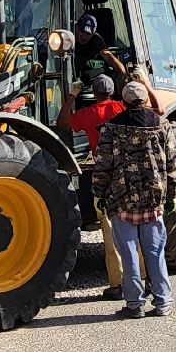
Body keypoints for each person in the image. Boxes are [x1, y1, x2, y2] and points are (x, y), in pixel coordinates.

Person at [91, 80, 176, 319]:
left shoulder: (111, 128)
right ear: (145, 100)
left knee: (128, 254)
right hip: (153, 199)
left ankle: (134, 305)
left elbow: (103, 165)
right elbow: (173, 164)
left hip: (122, 201)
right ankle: (162, 302)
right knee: (155, 252)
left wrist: (99, 193)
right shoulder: (162, 125)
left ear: (124, 101)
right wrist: (171, 196)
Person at [57, 74, 125, 298]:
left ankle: (116, 285)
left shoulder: (88, 114)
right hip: (126, 175)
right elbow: (156, 109)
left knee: (110, 231)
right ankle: (143, 280)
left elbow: (62, 121)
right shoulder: (122, 108)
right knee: (135, 228)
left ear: (94, 94)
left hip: (104, 177)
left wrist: (72, 96)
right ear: (113, 92)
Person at [72, 13, 127, 84]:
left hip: (90, 65)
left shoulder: (96, 40)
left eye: (88, 34)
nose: (84, 37)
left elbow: (108, 56)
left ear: (94, 33)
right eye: (82, 31)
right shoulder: (68, 33)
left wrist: (123, 72)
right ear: (76, 27)